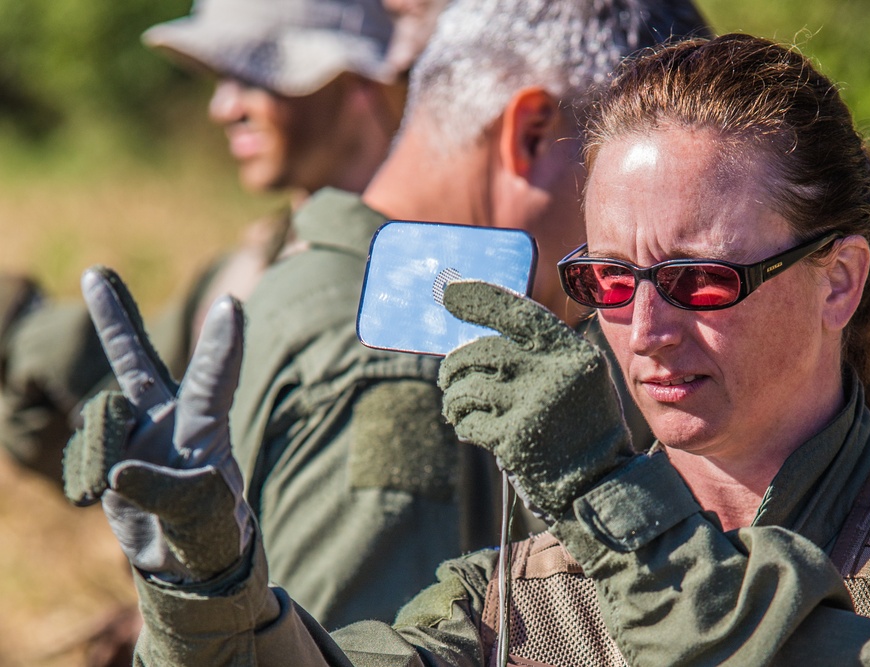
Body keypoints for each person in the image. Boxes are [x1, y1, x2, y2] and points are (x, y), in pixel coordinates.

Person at [65, 32, 870, 665]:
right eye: (608, 282)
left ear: (839, 279)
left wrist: (610, 499)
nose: (648, 328)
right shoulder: (522, 592)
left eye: (702, 281)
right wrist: (207, 580)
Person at [213, 0, 708, 630]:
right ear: (530, 134)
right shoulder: (405, 356)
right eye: (621, 176)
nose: (634, 249)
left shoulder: (326, 283)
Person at [0, 0, 429, 483]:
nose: (222, 107)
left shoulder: (424, 283)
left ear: (357, 83)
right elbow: (114, 383)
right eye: (220, 79)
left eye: (255, 77)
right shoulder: (251, 263)